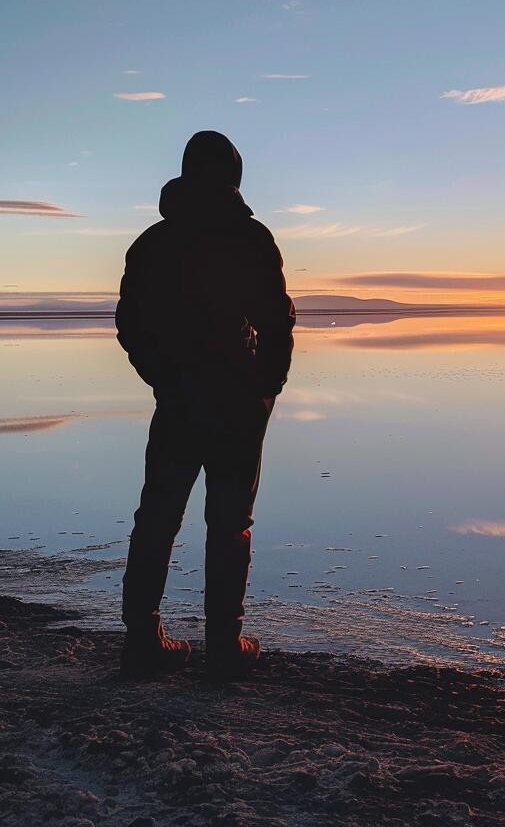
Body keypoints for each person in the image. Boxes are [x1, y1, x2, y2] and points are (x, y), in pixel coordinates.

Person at [115, 130, 295, 680]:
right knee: (220, 521)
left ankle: (152, 640)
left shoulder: (157, 242)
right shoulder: (248, 239)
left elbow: (131, 326)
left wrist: (263, 384)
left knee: (162, 518)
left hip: (196, 401)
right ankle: (216, 644)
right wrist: (266, 385)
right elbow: (279, 322)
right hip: (223, 404)